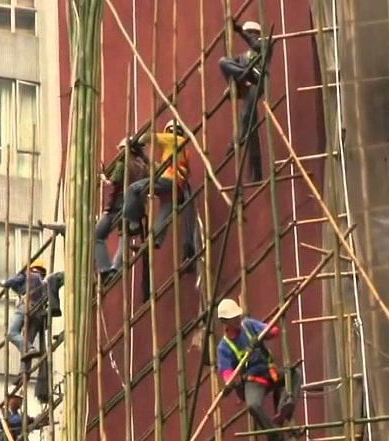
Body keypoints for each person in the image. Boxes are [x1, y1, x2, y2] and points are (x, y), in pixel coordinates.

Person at [215, 298, 298, 441]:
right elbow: (227, 374)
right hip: (253, 381)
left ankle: (286, 403)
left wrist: (263, 335)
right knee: (253, 405)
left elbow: (273, 330)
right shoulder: (223, 348)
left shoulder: (248, 325)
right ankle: (275, 438)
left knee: (294, 374)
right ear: (224, 323)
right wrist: (231, 381)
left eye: (238, 316)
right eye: (233, 318)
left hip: (269, 372)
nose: (238, 319)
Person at [115, 119, 199, 272]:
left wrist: (137, 140)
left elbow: (150, 137)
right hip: (177, 187)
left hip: (169, 181)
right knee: (163, 217)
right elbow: (164, 167)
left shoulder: (173, 139)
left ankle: (133, 223)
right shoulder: (182, 149)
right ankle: (152, 241)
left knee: (134, 189)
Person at [219, 19, 270, 182]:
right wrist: (232, 86)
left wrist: (241, 31)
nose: (252, 37)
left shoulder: (266, 46)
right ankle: (256, 173)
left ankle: (238, 137)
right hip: (247, 84)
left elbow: (256, 45)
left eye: (253, 34)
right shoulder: (244, 57)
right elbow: (228, 65)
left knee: (246, 116)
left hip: (257, 81)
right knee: (252, 128)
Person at [97, 138, 151, 284]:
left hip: (119, 205)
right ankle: (116, 267)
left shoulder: (123, 164)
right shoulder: (143, 165)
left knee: (97, 235)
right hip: (136, 208)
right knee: (124, 237)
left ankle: (104, 269)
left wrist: (102, 177)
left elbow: (113, 185)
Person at [0, 260, 48, 361]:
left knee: (12, 333)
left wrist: (4, 282)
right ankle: (29, 352)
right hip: (39, 314)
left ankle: (29, 349)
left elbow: (13, 282)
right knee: (27, 341)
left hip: (27, 306)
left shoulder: (27, 274)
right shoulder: (44, 283)